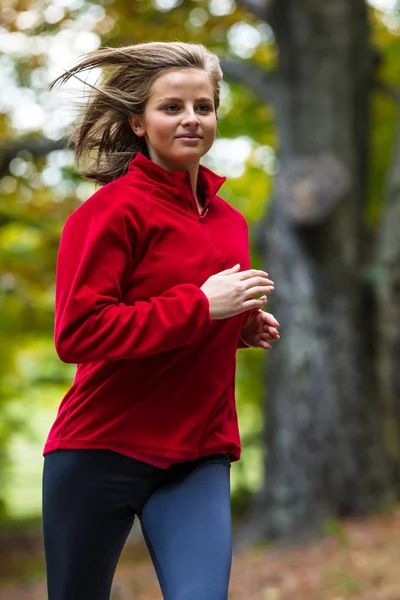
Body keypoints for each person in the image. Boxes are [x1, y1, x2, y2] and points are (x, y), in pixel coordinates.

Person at [42, 41, 280, 600]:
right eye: (171, 107)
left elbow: (187, 320)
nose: (191, 119)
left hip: (197, 453)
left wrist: (236, 328)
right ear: (139, 123)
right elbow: (78, 333)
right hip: (100, 448)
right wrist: (201, 306)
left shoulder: (230, 221)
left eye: (203, 106)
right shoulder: (107, 212)